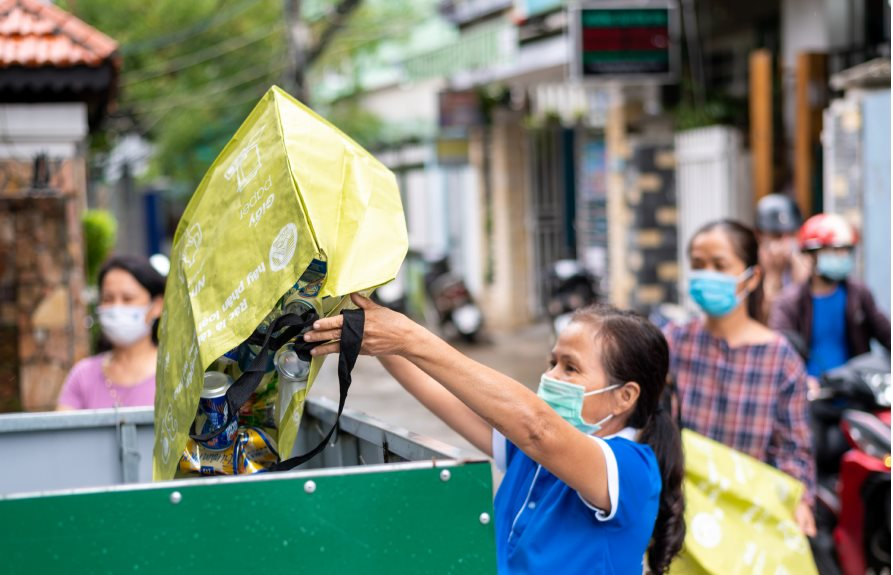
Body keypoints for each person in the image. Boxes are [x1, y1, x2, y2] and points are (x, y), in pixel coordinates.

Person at [304, 295, 685, 574]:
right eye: (552, 362)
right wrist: (373, 328)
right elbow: (439, 390)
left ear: (625, 396)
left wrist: (412, 338)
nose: (550, 377)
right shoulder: (531, 451)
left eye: (571, 368)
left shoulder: (630, 468)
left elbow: (537, 429)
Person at [664, 219, 816, 535]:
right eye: (698, 265)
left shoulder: (780, 359)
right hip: (685, 516)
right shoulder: (673, 343)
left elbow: (793, 449)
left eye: (720, 265)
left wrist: (798, 501)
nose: (707, 274)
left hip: (752, 519)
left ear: (751, 277)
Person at [769, 213, 891, 378]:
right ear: (811, 255)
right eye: (834, 251)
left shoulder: (859, 294)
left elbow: (886, 333)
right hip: (809, 394)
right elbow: (779, 350)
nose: (843, 257)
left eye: (846, 251)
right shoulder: (789, 303)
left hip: (855, 391)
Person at [57, 255, 165, 410]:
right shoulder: (83, 376)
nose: (116, 308)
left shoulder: (176, 374)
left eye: (128, 299)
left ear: (157, 306)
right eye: (108, 299)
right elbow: (62, 431)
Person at [755, 193, 810, 321]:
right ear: (759, 235)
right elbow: (764, 318)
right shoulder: (750, 268)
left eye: (791, 235)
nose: (785, 243)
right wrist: (773, 275)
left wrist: (802, 277)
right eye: (777, 235)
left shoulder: (804, 262)